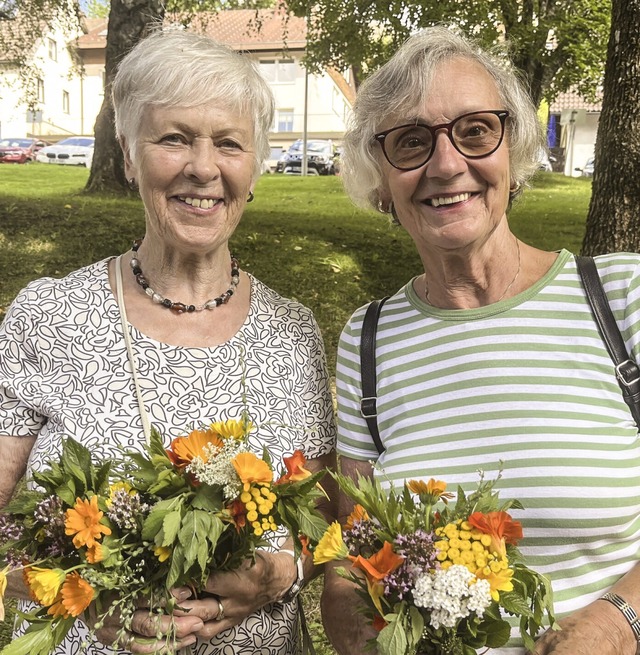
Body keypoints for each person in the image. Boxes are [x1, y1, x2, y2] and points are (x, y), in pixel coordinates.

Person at [0, 29, 336, 655]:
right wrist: (67, 589)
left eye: (229, 144)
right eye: (174, 138)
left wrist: (282, 572)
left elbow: (323, 519)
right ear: (128, 154)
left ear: (254, 165)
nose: (203, 167)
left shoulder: (293, 333)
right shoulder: (50, 315)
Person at [321, 25, 640, 655]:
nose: (446, 164)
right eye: (411, 142)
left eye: (474, 131)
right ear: (379, 180)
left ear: (513, 150)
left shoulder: (623, 298)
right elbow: (348, 565)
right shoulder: (368, 339)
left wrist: (618, 620)